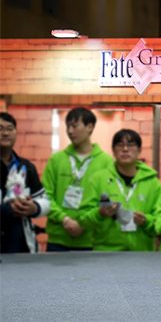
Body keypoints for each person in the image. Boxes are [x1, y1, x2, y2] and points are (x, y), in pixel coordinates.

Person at [78, 129, 161, 251]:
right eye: (120, 145)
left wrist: (146, 221)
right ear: (113, 150)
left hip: (142, 255)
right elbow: (82, 220)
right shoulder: (98, 179)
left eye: (131, 145)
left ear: (139, 151)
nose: (125, 149)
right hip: (106, 254)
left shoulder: (153, 183)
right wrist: (99, 213)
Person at [42, 107, 113, 251]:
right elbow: (45, 196)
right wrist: (64, 219)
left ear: (89, 127)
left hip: (92, 241)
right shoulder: (56, 160)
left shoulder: (107, 162)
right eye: (68, 126)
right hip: (58, 240)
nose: (70, 131)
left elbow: (108, 200)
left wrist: (84, 224)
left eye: (74, 126)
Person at [0, 112, 50, 253]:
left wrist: (33, 208)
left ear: (16, 133)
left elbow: (45, 202)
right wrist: (8, 210)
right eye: (0, 129)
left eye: (10, 129)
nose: (5, 133)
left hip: (21, 249)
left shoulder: (26, 167)